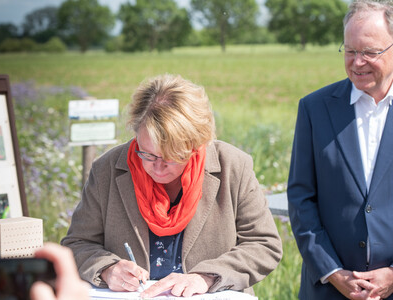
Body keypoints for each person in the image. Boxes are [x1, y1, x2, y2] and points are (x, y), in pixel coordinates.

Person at [61, 74, 282, 298]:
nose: (158, 168)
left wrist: (206, 277)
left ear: (196, 143)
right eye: (147, 154)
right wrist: (107, 269)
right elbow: (77, 243)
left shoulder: (233, 166)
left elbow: (263, 245)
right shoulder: (106, 170)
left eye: (171, 157)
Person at [288, 1, 393, 299]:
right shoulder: (314, 108)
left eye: (370, 52)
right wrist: (332, 272)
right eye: (350, 50)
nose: (357, 62)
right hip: (327, 290)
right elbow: (301, 198)